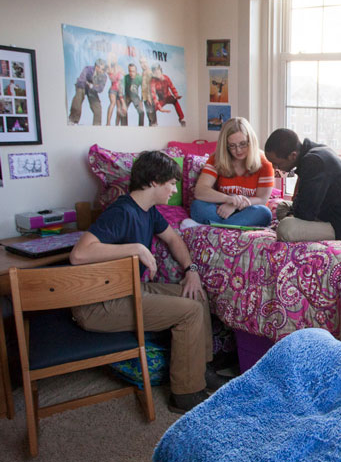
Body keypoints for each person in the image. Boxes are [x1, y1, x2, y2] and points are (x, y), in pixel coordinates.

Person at [69, 150, 225, 414]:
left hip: (126, 288)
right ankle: (185, 395)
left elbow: (174, 240)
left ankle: (201, 369)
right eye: (171, 183)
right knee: (188, 312)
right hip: (98, 302)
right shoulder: (121, 212)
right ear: (153, 181)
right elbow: (79, 254)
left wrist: (192, 269)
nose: (174, 189)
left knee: (195, 295)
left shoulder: (150, 211)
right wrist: (137, 249)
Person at [264, 128, 341, 242]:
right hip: (326, 212)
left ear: (293, 155)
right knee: (282, 207)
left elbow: (305, 213)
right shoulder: (314, 151)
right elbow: (303, 202)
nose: (274, 168)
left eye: (276, 163)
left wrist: (293, 216)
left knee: (285, 228)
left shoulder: (314, 162)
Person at [186, 117, 274, 228]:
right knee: (197, 206)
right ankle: (229, 226)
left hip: (248, 211)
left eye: (243, 144)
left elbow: (262, 199)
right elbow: (200, 191)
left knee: (264, 213)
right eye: (232, 146)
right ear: (225, 146)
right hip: (221, 211)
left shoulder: (264, 163)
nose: (238, 150)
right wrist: (228, 199)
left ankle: (216, 226)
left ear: (251, 141)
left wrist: (235, 205)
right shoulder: (217, 159)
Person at [67, 58, 107, 125]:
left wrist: (92, 87)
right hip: (82, 86)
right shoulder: (87, 69)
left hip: (92, 89)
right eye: (102, 69)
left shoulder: (104, 76)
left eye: (104, 69)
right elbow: (81, 81)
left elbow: (100, 89)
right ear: (97, 67)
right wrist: (88, 84)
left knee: (98, 107)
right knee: (78, 97)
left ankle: (97, 125)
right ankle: (73, 120)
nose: (103, 71)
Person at [123, 63, 146, 127]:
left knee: (141, 112)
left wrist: (141, 101)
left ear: (136, 71)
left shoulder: (139, 78)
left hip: (135, 97)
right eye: (130, 71)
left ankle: (140, 128)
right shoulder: (125, 77)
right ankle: (124, 128)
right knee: (123, 111)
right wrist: (123, 103)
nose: (131, 73)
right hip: (127, 96)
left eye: (133, 71)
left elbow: (143, 90)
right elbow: (121, 90)